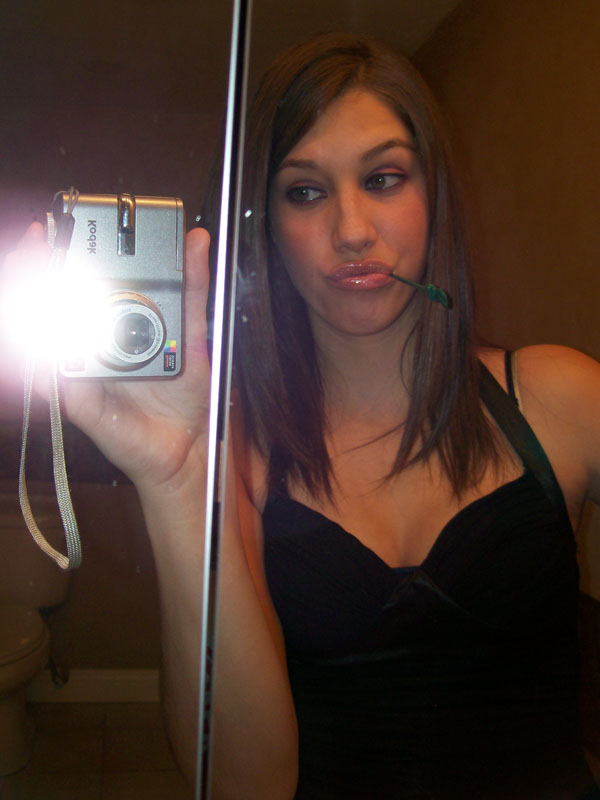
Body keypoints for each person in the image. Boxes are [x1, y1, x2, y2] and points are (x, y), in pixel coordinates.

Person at [5, 32, 600, 799]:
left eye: (384, 178)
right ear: (268, 229)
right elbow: (243, 786)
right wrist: (179, 481)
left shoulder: (560, 395)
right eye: (306, 192)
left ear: (435, 197)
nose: (352, 229)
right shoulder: (237, 455)